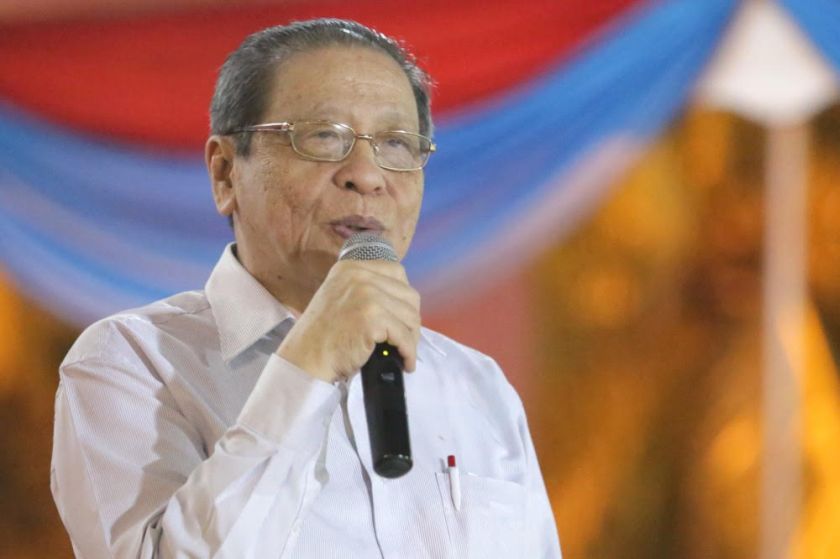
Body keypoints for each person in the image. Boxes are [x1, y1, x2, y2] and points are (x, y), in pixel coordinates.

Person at [50, 18, 562, 558]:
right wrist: (307, 364)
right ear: (226, 174)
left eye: (396, 143)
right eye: (324, 137)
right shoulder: (132, 363)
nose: (367, 175)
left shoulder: (477, 386)